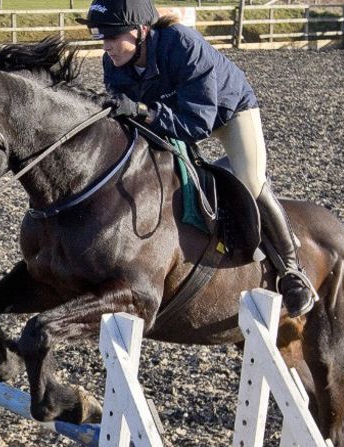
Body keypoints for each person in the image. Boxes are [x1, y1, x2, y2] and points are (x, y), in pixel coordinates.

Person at [77, 0, 316, 317]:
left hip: (226, 113)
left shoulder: (183, 44)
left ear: (142, 30)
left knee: (250, 180)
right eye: (102, 38)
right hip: (174, 114)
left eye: (113, 36)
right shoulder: (115, 62)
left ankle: (292, 272)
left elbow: (197, 123)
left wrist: (145, 112)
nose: (107, 47)